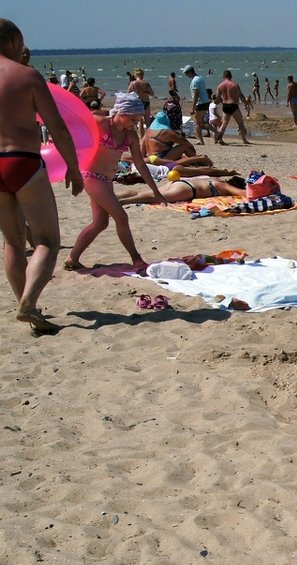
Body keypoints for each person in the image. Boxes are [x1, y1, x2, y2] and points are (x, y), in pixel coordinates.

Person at [0, 19, 84, 334]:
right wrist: (74, 169)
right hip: (22, 161)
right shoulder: (27, 75)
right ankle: (28, 303)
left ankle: (28, 306)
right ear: (13, 40)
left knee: (12, 241)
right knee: (47, 241)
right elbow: (58, 127)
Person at [63, 92, 166, 272]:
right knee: (121, 216)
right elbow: (73, 127)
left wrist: (156, 191)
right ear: (122, 114)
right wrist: (70, 166)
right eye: (133, 120)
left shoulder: (131, 136)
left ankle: (72, 258)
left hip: (107, 180)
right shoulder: (101, 123)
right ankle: (137, 259)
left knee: (100, 223)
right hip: (90, 175)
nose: (135, 124)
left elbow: (141, 164)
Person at [118, 175, 244, 205]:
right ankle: (123, 202)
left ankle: (115, 196)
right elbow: (243, 193)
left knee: (144, 193)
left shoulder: (216, 178)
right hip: (188, 189)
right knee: (154, 198)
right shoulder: (224, 186)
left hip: (180, 181)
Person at [141, 111, 211, 164]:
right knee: (184, 147)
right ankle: (198, 161)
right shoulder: (166, 132)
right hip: (161, 157)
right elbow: (185, 142)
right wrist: (193, 152)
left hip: (151, 158)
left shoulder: (148, 132)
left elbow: (142, 152)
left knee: (182, 154)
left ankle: (195, 159)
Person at [214, 70, 250, 145]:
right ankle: (244, 140)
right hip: (233, 105)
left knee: (224, 124)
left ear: (223, 76)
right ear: (231, 76)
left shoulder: (220, 86)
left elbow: (217, 98)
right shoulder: (234, 84)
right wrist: (246, 103)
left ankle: (219, 139)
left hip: (225, 106)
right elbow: (241, 95)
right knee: (240, 124)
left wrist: (221, 102)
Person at [182, 65, 207, 143]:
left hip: (200, 103)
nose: (186, 75)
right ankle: (217, 132)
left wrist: (193, 108)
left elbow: (196, 95)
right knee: (202, 122)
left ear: (189, 72)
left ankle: (201, 140)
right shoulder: (200, 78)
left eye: (186, 73)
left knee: (197, 122)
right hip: (205, 101)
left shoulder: (195, 81)